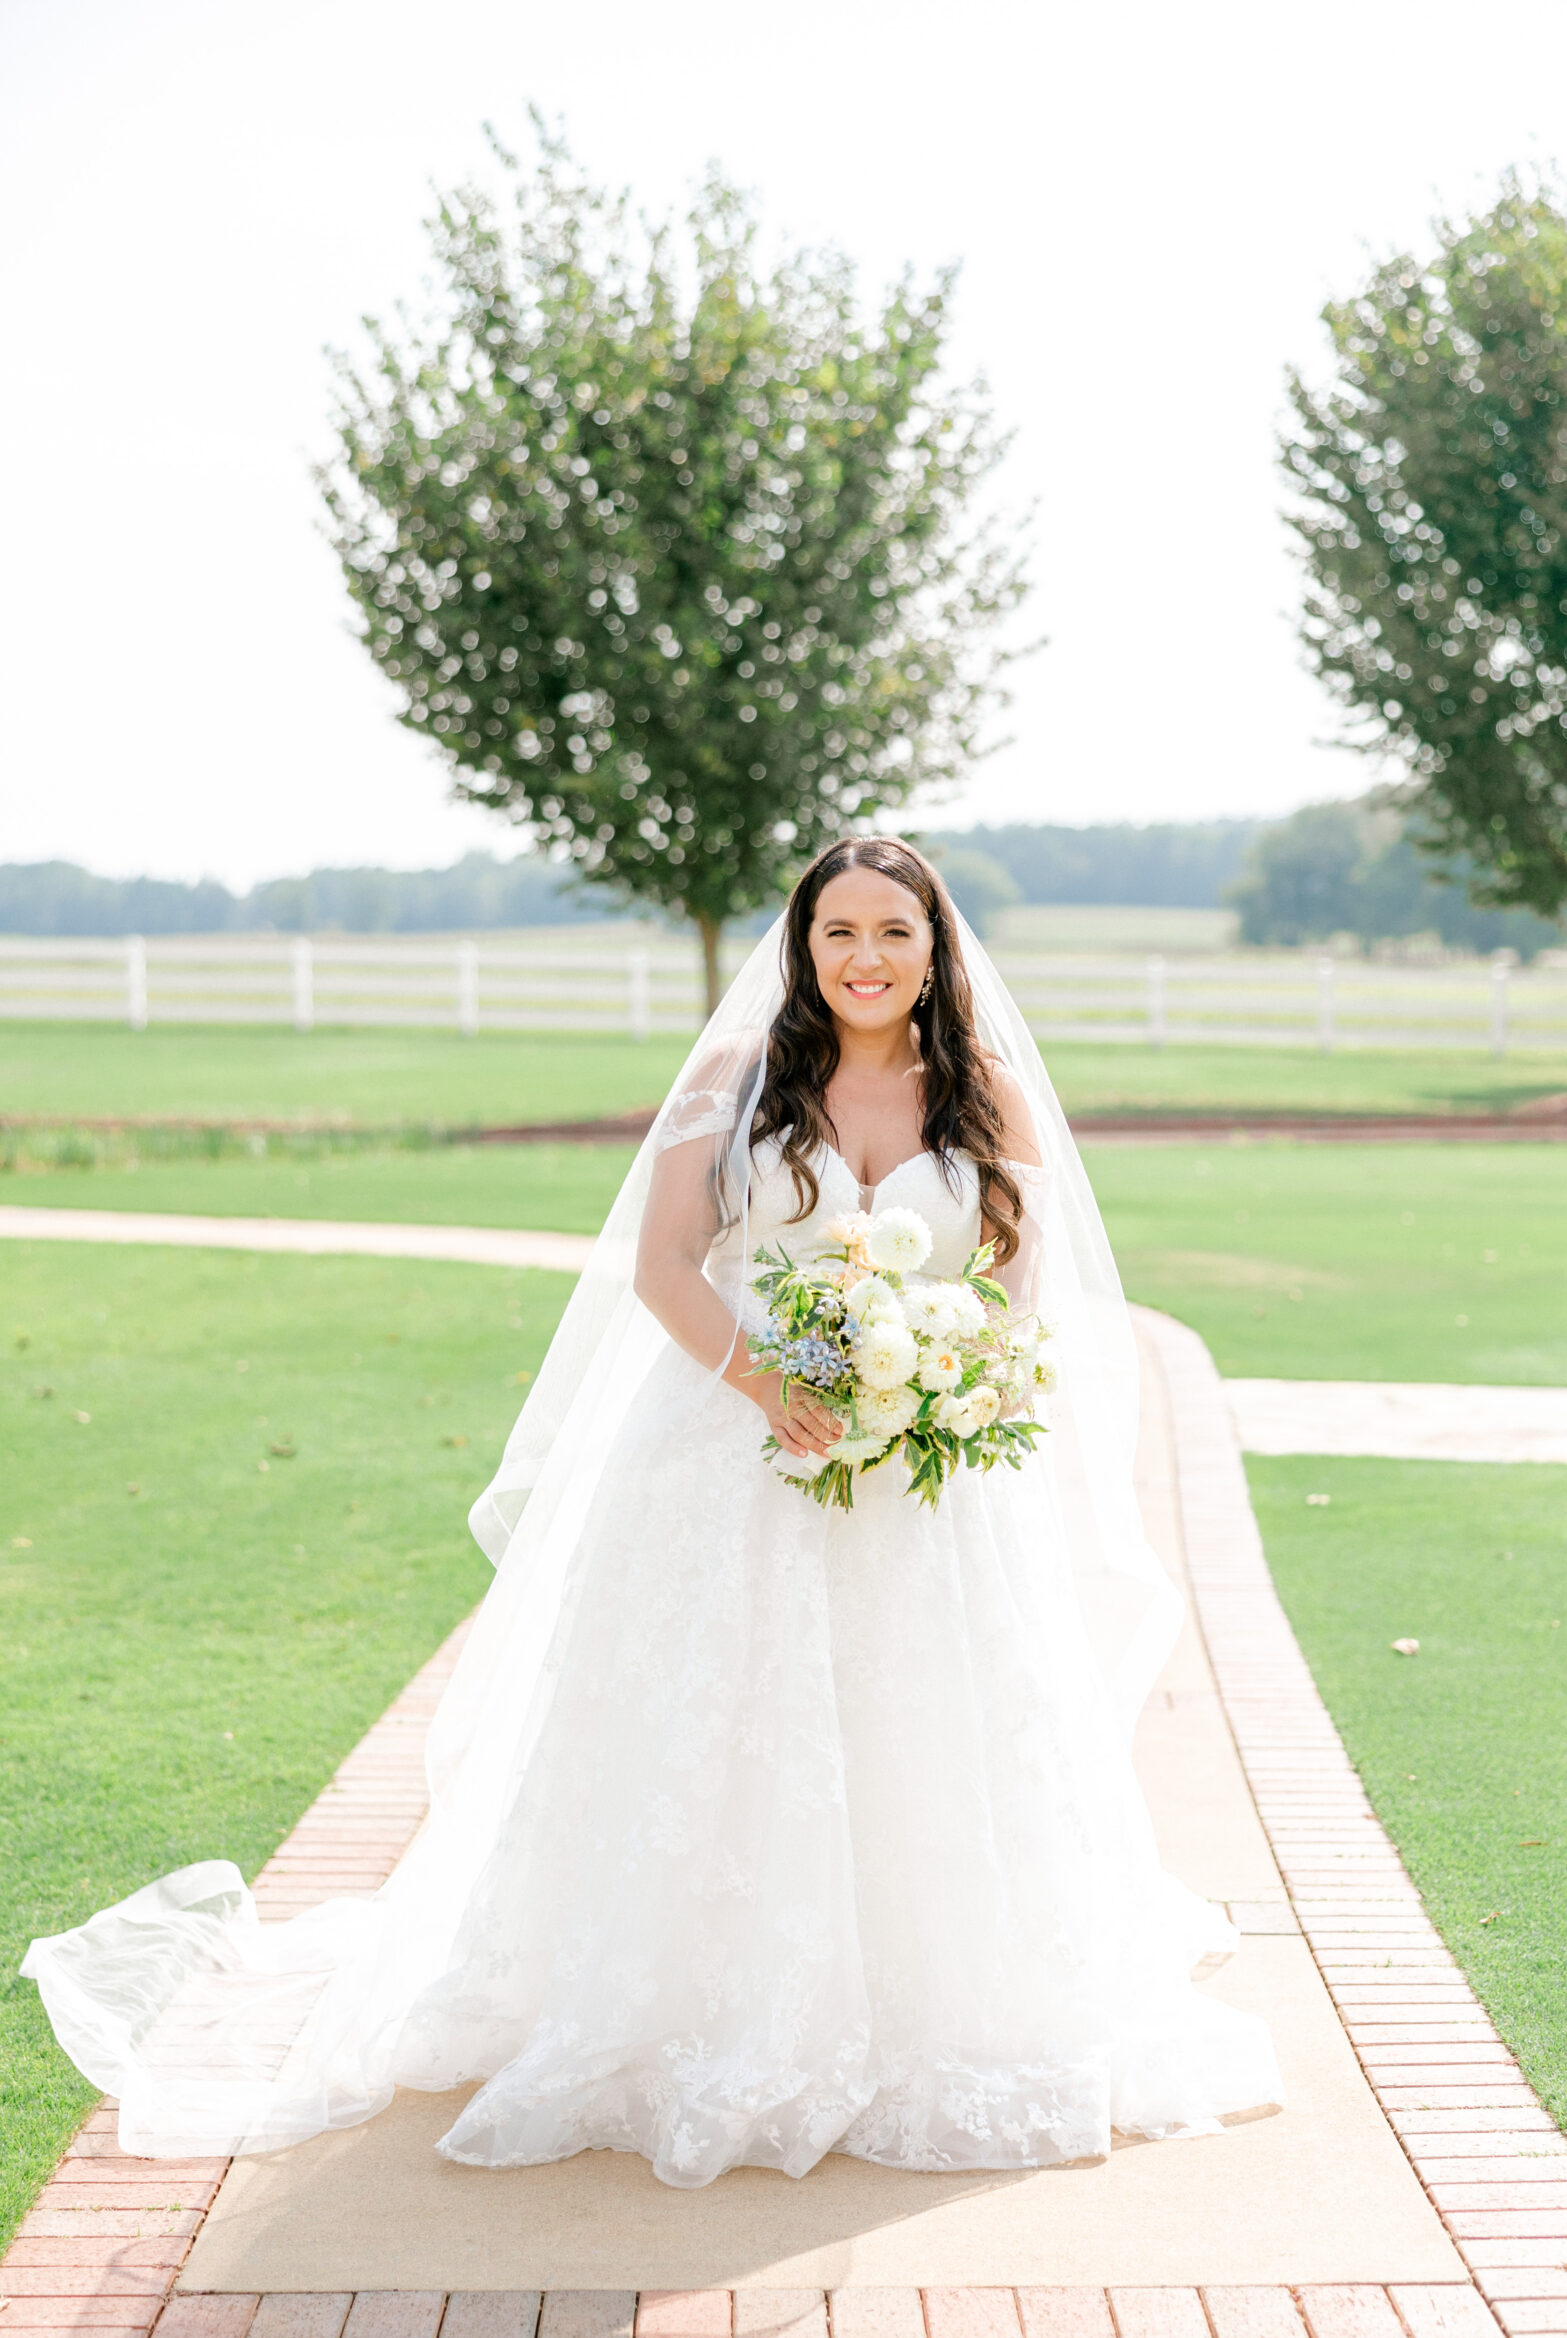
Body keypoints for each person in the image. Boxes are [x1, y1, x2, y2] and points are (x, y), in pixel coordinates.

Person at [23, 837, 1281, 2186]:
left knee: (926, 1714)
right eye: (838, 930)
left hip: (925, 1475)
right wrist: (769, 1381)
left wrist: (948, 1384)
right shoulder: (737, 1083)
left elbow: (1020, 1278)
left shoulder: (986, 1098)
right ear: (803, 947)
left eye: (893, 933)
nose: (865, 957)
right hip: (732, 1451)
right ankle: (679, 1995)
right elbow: (665, 1264)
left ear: (935, 949)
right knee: (722, 1712)